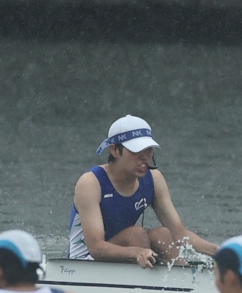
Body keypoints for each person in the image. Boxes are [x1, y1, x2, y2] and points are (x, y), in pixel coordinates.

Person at [68, 115, 219, 268]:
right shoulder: (90, 183)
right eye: (136, 151)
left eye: (148, 150)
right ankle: (146, 275)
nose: (145, 158)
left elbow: (180, 234)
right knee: (136, 234)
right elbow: (96, 248)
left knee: (163, 235)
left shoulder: (154, 179)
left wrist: (219, 251)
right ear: (114, 150)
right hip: (84, 262)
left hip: (125, 252)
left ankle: (184, 277)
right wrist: (136, 252)